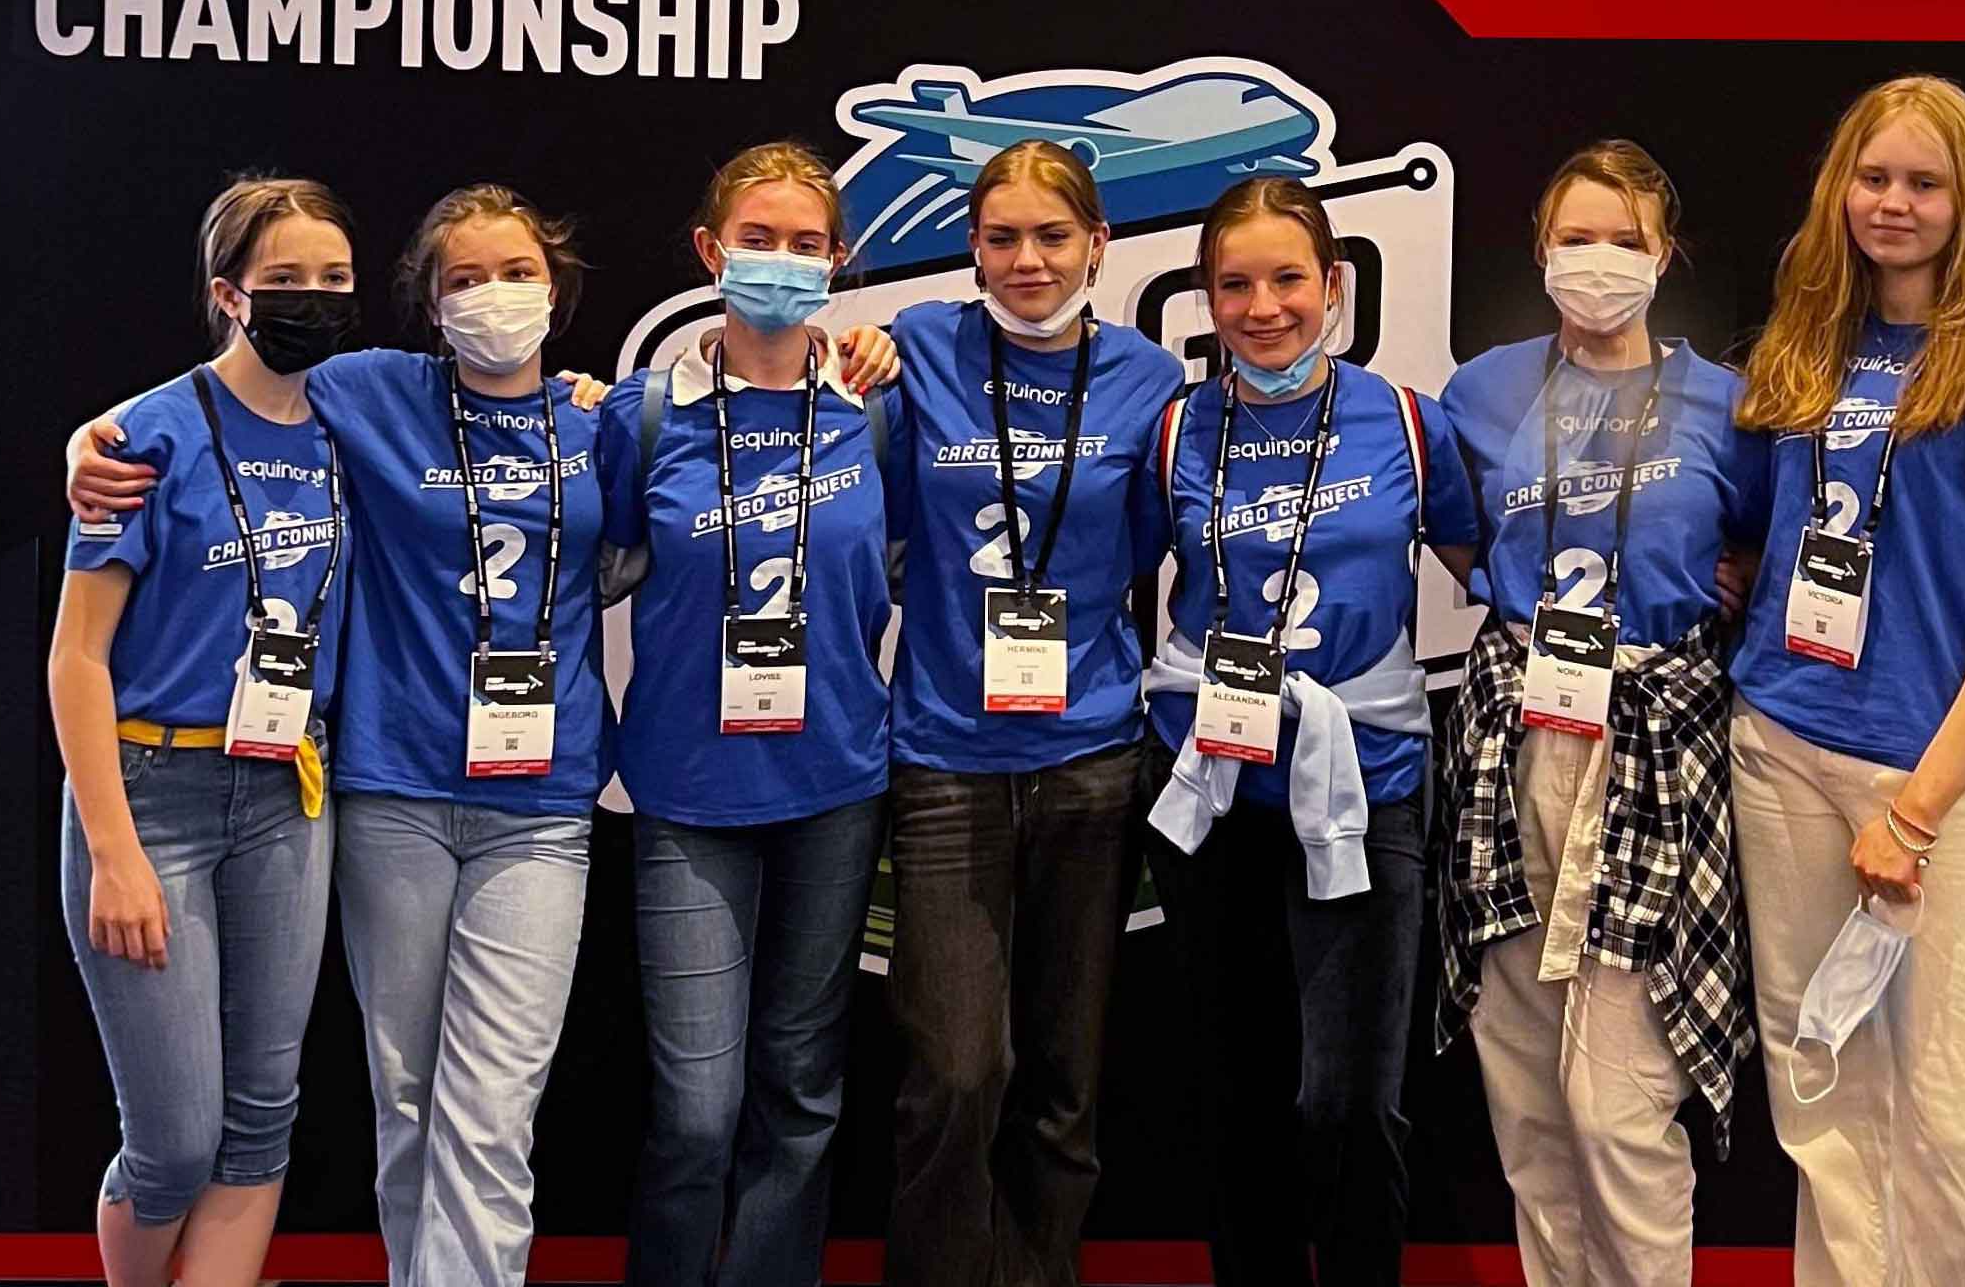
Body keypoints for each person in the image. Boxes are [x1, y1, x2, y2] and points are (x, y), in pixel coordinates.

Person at [66, 188, 899, 1287]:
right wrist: (90, 444)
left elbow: (698, 502)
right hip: (391, 792)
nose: (492, 296)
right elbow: (227, 400)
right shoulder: (372, 393)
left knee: (494, 1098)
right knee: (406, 1092)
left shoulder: (606, 418)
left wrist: (866, 346)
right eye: (463, 278)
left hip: (542, 804)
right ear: (427, 303)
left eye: (515, 272)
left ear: (555, 292)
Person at [1729, 76, 1965, 1286]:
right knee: (1824, 1096)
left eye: (1923, 182)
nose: (1892, 203)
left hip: (1940, 788)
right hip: (1783, 747)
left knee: (1951, 1110)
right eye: (1873, 177)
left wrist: (1915, 809)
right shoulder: (1803, 346)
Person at [1433, 141, 1767, 1286]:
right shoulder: (1482, 389)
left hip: (1659, 758)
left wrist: (1730, 573)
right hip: (1514, 741)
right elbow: (1461, 535)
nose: (1599, 261)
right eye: (1577, 237)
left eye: (1624, 239)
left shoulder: (1725, 404)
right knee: (1524, 1084)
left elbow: (1769, 546)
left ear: (1664, 254)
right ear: (1538, 249)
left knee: (1616, 1099)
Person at [1139, 177, 1479, 1287]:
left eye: (1288, 277)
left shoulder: (1409, 423)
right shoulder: (1179, 430)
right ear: (1205, 297)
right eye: (1234, 283)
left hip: (1368, 782)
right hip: (1215, 785)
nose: (1263, 305)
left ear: (1332, 284)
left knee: (1346, 1096)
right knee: (1234, 1094)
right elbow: (1107, 574)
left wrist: (1712, 570)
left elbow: (1493, 570)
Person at [595, 141, 903, 1287]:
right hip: (685, 791)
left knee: (801, 1089)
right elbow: (588, 561)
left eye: (805, 244)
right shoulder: (641, 415)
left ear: (839, 260)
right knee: (694, 1108)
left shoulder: (873, 408)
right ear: (709, 250)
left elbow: (918, 561)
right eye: (757, 240)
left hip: (833, 783)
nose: (780, 261)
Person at [878, 140, 1183, 1287]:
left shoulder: (1150, 379)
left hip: (1092, 757)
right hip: (946, 758)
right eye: (1001, 237)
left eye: (1052, 235)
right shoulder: (914, 348)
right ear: (972, 246)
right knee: (954, 1072)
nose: (1027, 259)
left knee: (1063, 1077)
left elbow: (1155, 545)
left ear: (1098, 244)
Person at [49, 175, 355, 1287]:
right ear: (230, 294)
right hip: (150, 793)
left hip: (286, 792)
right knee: (174, 1140)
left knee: (262, 1115)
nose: (312, 300)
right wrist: (114, 849)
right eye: (285, 281)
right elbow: (75, 656)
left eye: (333, 279)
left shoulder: (354, 422)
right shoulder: (149, 434)